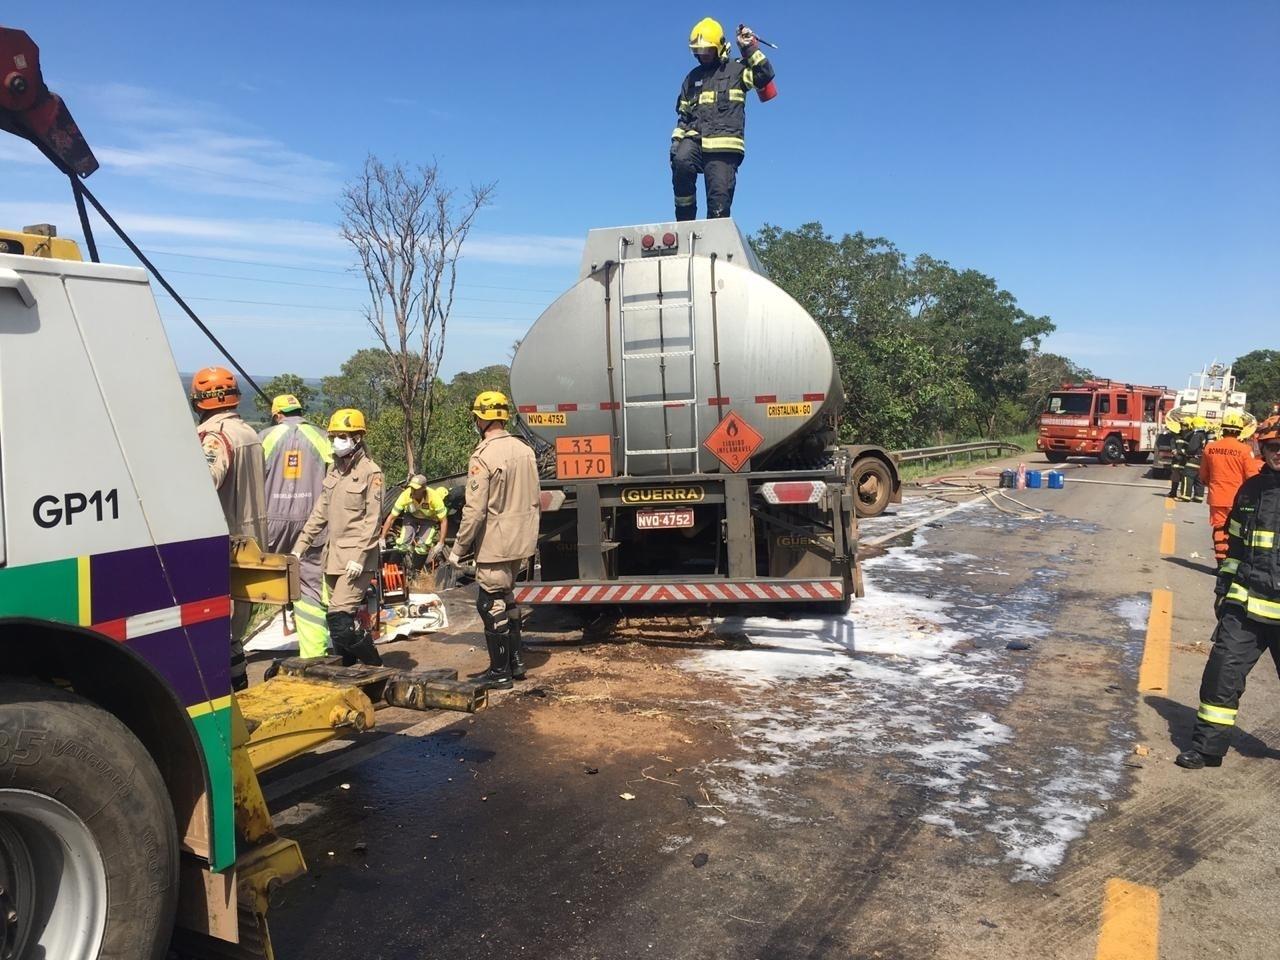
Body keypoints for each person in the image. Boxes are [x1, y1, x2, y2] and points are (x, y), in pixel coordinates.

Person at [1177, 420, 1280, 769]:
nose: (1278, 453)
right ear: (1262, 449)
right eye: (1273, 447)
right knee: (1221, 674)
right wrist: (1224, 590)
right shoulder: (1250, 491)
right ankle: (1207, 749)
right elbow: (1235, 548)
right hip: (1246, 605)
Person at [447, 391, 541, 690]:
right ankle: (516, 663)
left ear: (481, 419)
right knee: (508, 598)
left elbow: (474, 510)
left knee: (490, 603)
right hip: (521, 539)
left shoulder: (483, 456)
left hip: (495, 542)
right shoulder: (524, 450)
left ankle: (500, 672)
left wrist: (458, 549)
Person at [191, 366, 268, 691]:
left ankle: (228, 702)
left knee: (217, 636)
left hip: (221, 552)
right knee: (234, 637)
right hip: (250, 549)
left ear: (198, 402)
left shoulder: (215, 438)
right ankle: (239, 696)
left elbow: (202, 483)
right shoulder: (250, 434)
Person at [292, 408, 384, 667]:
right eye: (333, 437)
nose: (336, 442)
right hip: (333, 557)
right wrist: (300, 547)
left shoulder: (371, 472)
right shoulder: (334, 470)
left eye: (342, 436)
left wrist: (359, 557)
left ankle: (376, 667)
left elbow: (373, 521)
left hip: (356, 560)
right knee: (340, 628)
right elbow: (319, 512)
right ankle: (349, 670)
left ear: (357, 438)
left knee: (339, 620)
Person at [670, 18, 775, 221]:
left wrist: (749, 48)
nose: (702, 55)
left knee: (718, 205)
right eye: (698, 51)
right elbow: (683, 115)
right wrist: (676, 142)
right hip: (695, 139)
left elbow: (764, 75)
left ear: (718, 47)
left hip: (723, 147)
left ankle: (714, 233)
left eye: (707, 50)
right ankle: (684, 223)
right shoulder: (691, 78)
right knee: (681, 161)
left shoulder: (736, 70)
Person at [259, 393, 333, 657]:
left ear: (277, 415)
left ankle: (232, 647)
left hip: (270, 523)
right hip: (313, 523)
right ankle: (313, 656)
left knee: (254, 583)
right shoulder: (322, 437)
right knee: (310, 586)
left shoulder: (264, 437)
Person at [1199, 410, 1261, 564]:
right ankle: (1233, 562)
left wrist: (1212, 484)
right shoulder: (1245, 450)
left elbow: (1203, 475)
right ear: (1240, 431)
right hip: (1238, 498)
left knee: (1220, 529)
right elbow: (1252, 476)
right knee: (1237, 531)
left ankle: (1221, 562)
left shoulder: (1210, 448)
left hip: (1217, 497)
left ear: (1222, 429)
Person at [379, 474, 450, 580]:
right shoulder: (405, 495)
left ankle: (414, 574)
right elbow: (392, 518)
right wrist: (382, 538)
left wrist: (441, 543)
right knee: (402, 543)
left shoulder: (434, 497)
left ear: (423, 488)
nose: (413, 491)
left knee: (423, 546)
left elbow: (443, 521)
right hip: (411, 517)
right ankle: (392, 569)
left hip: (429, 519)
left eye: (416, 489)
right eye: (412, 487)